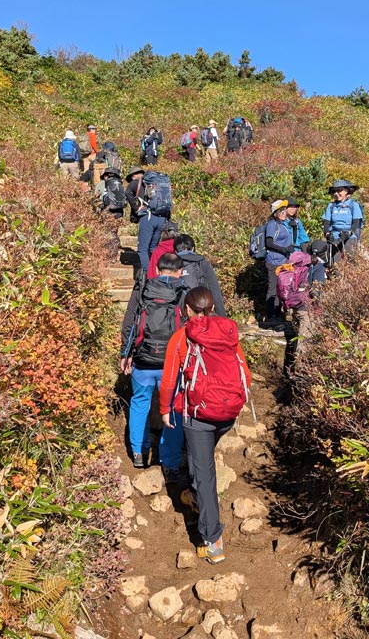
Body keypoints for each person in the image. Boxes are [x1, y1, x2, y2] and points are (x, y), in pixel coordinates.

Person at [158, 286, 252, 564]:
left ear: (187, 310)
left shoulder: (182, 336)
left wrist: (165, 410)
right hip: (227, 413)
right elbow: (243, 371)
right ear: (212, 308)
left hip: (197, 415)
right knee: (204, 465)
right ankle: (197, 497)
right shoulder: (229, 332)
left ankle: (212, 541)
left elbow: (167, 380)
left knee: (204, 475)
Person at [120, 253, 188, 474]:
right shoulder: (183, 291)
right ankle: (169, 461)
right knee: (173, 408)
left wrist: (125, 352)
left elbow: (130, 320)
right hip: (172, 363)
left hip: (143, 358)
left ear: (157, 270)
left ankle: (139, 452)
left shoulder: (144, 287)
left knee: (140, 402)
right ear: (180, 271)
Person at [175, 234, 226, 316]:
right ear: (193, 248)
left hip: (181, 312)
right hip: (202, 310)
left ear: (175, 251)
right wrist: (222, 317)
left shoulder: (172, 264)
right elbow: (215, 291)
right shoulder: (202, 262)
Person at [263, 199, 294, 327]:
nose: (283, 213)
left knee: (280, 288)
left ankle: (277, 314)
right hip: (274, 261)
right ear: (275, 213)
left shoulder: (283, 225)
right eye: (280, 211)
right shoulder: (272, 224)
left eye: (284, 210)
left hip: (282, 261)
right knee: (273, 288)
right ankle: (271, 316)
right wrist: (284, 249)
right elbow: (269, 242)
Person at [322, 179, 365, 264]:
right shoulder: (331, 206)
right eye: (334, 191)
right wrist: (327, 234)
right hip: (334, 237)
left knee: (350, 261)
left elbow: (356, 223)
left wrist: (349, 233)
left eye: (339, 190)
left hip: (349, 237)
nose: (336, 194)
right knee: (334, 263)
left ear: (347, 191)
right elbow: (326, 222)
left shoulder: (354, 205)